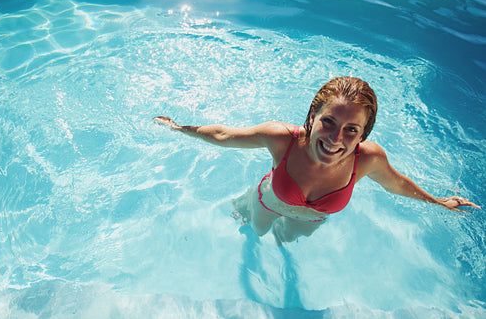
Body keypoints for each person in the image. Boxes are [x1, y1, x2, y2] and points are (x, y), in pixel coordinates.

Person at [154, 76, 480, 244]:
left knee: (287, 241)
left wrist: (438, 202)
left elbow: (397, 184)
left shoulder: (368, 159)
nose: (336, 139)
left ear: (364, 133)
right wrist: (179, 128)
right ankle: (242, 207)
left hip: (310, 220)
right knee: (256, 233)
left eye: (351, 129)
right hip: (268, 203)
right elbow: (224, 136)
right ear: (313, 115)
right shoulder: (282, 139)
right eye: (329, 122)